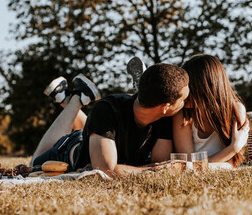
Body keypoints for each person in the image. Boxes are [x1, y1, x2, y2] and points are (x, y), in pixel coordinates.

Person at [30, 62, 189, 177]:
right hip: (71, 152)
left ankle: (64, 98)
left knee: (99, 129)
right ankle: (76, 99)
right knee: (33, 165)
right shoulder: (107, 109)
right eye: (183, 100)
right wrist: (151, 170)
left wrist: (153, 168)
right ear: (165, 106)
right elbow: (106, 170)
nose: (185, 104)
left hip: (103, 139)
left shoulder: (165, 116)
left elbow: (159, 161)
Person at [173, 54, 249, 168]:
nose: (184, 92)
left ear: (206, 88)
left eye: (190, 87)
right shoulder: (183, 114)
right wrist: (233, 148)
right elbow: (188, 166)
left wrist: (233, 150)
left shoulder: (236, 111)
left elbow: (232, 164)